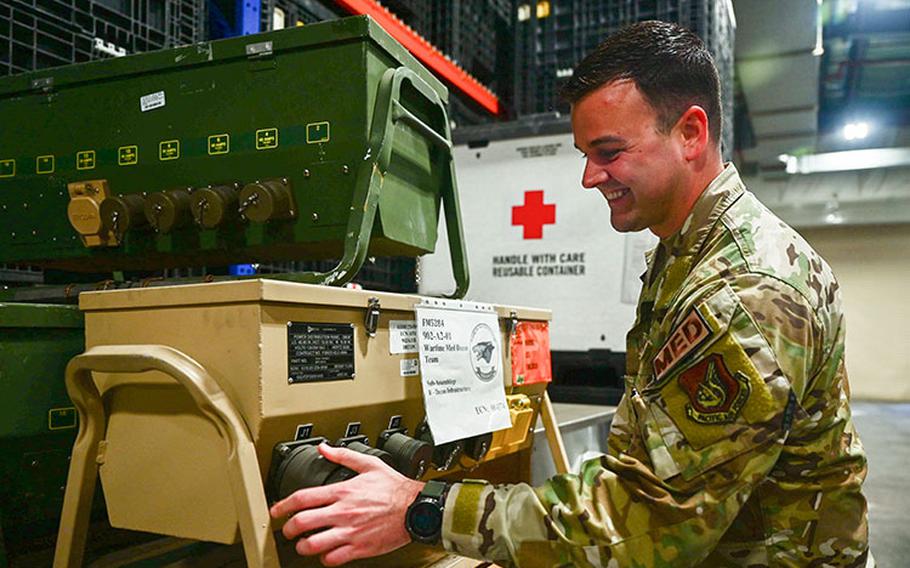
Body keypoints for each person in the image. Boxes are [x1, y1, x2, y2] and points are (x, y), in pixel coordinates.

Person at [270, 20, 870, 567]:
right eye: (586, 156)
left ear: (690, 133)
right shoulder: (691, 252)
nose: (589, 177)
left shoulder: (741, 293)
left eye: (609, 153)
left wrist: (417, 508)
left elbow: (644, 527)